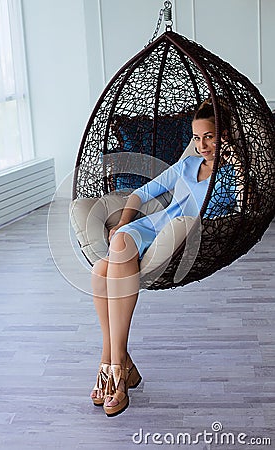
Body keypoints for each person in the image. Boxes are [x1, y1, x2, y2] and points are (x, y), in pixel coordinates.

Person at [90, 98, 239, 417]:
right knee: (100, 270)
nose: (202, 145)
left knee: (109, 264)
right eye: (197, 138)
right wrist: (122, 223)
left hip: (180, 238)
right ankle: (118, 364)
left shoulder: (230, 176)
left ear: (224, 135)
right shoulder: (187, 166)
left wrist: (235, 160)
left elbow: (246, 204)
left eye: (209, 136)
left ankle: (114, 370)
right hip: (150, 228)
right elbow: (140, 194)